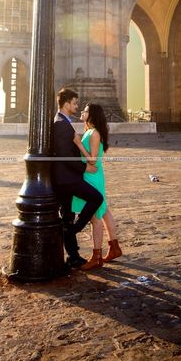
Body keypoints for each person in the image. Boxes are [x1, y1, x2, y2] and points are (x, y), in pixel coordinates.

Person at [52, 88, 104, 269]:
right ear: (66, 104)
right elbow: (64, 155)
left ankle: (73, 256)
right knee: (96, 198)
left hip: (67, 177)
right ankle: (76, 229)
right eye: (74, 103)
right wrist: (85, 168)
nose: (76, 106)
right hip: (67, 179)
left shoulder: (63, 122)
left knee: (67, 216)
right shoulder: (60, 124)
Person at [72, 103, 122, 270]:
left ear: (91, 115)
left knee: (95, 217)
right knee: (105, 211)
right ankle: (114, 248)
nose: (82, 112)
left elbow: (92, 159)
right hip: (93, 175)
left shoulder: (93, 133)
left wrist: (79, 144)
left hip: (92, 176)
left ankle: (97, 256)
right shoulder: (90, 131)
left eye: (85, 110)